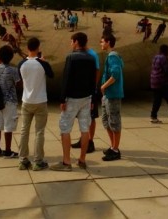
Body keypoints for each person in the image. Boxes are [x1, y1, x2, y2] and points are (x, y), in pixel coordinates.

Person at [51, 32, 97, 171]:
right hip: (86, 98)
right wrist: (93, 99)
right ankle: (82, 160)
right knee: (84, 129)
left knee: (65, 128)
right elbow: (92, 81)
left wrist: (62, 98)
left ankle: (66, 162)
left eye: (71, 41)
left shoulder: (71, 57)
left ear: (76, 42)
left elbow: (66, 79)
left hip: (72, 98)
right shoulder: (91, 58)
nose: (71, 43)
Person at [17, 37, 54, 171]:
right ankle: (38, 161)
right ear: (38, 47)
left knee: (24, 130)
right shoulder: (42, 64)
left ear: (27, 48)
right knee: (39, 132)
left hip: (26, 100)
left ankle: (23, 159)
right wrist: (44, 61)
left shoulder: (21, 64)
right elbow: (51, 75)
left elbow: (21, 78)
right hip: (40, 100)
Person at [0, 45, 21, 158]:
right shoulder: (13, 70)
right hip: (10, 100)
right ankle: (8, 150)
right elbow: (18, 83)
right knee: (8, 126)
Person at [71, 44, 101, 154]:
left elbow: (97, 71)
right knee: (83, 116)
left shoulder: (92, 55)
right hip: (82, 92)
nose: (71, 44)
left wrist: (94, 87)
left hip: (90, 91)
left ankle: (90, 141)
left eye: (72, 42)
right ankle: (83, 139)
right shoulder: (79, 54)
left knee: (91, 117)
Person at [100, 33, 124, 162]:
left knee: (114, 122)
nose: (101, 44)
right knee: (106, 121)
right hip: (108, 95)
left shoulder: (113, 57)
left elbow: (115, 74)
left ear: (108, 42)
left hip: (113, 94)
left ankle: (115, 150)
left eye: (102, 41)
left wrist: (104, 85)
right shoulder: (111, 56)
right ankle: (113, 146)